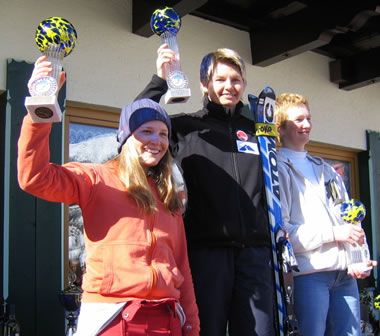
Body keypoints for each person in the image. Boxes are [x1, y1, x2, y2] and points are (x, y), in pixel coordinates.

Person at [17, 55, 200, 336]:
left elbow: (183, 269)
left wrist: (191, 326)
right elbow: (35, 177)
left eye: (163, 134)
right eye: (147, 131)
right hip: (113, 317)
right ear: (127, 138)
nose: (157, 140)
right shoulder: (96, 178)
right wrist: (40, 107)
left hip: (168, 318)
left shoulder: (168, 196)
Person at [136, 45, 276, 336]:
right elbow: (135, 125)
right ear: (204, 84)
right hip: (206, 253)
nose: (230, 86)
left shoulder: (257, 131)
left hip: (255, 254)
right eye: (220, 79)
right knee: (206, 330)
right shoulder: (185, 127)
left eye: (236, 79)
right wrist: (159, 81)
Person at [275, 92, 377, 336]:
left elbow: (349, 220)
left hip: (344, 276)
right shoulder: (276, 168)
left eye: (308, 118)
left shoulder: (326, 169)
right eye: (298, 120)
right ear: (280, 127)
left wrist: (358, 259)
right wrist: (334, 233)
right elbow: (284, 234)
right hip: (309, 277)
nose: (307, 125)